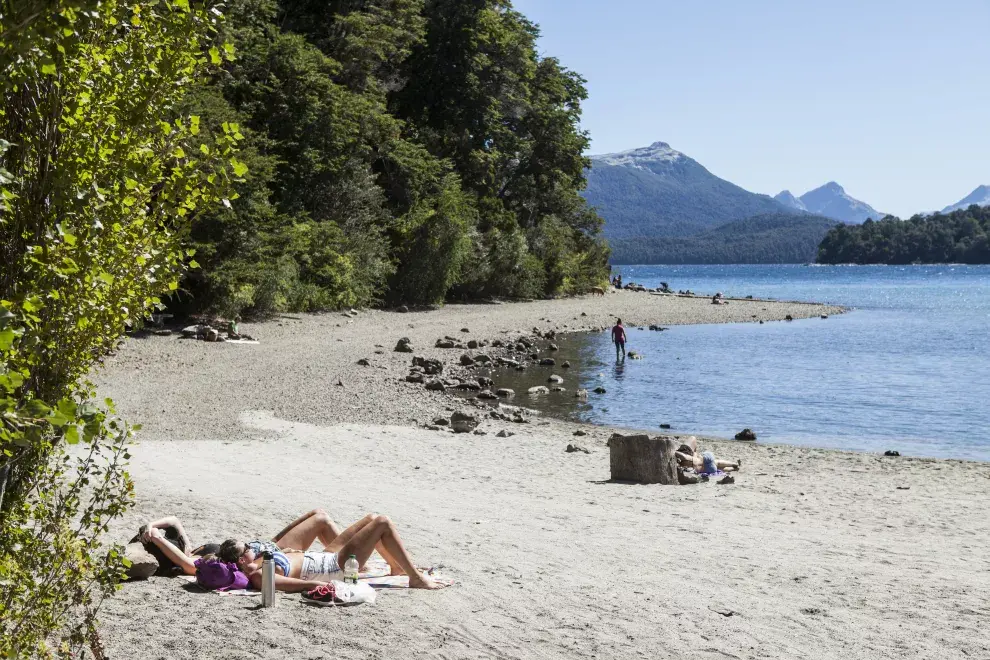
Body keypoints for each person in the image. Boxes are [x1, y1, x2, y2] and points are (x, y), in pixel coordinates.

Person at [219, 514, 443, 591]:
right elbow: (289, 585)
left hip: (324, 555)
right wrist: (318, 586)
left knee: (372, 518)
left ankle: (396, 567)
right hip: (334, 566)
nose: (253, 549)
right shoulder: (259, 575)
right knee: (383, 522)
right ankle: (415, 578)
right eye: (248, 549)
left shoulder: (258, 562)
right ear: (240, 560)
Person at [675, 447, 741, 475]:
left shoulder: (686, 466)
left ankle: (733, 469)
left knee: (721, 469)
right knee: (717, 462)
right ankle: (734, 464)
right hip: (708, 463)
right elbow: (677, 453)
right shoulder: (687, 458)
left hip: (708, 470)